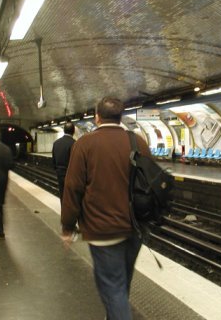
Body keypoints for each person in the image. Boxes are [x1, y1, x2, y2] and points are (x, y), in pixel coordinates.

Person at [61, 97, 151, 320]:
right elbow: (150, 184)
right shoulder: (138, 142)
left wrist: (67, 227)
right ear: (120, 117)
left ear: (97, 117)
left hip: (103, 231)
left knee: (112, 288)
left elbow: (73, 188)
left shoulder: (85, 144)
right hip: (135, 228)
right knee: (122, 284)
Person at [52, 122, 76, 207]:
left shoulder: (56, 143)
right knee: (71, 196)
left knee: (62, 194)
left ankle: (64, 213)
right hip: (71, 174)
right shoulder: (75, 144)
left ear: (64, 130)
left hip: (59, 173)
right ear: (73, 131)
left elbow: (53, 160)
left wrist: (58, 170)